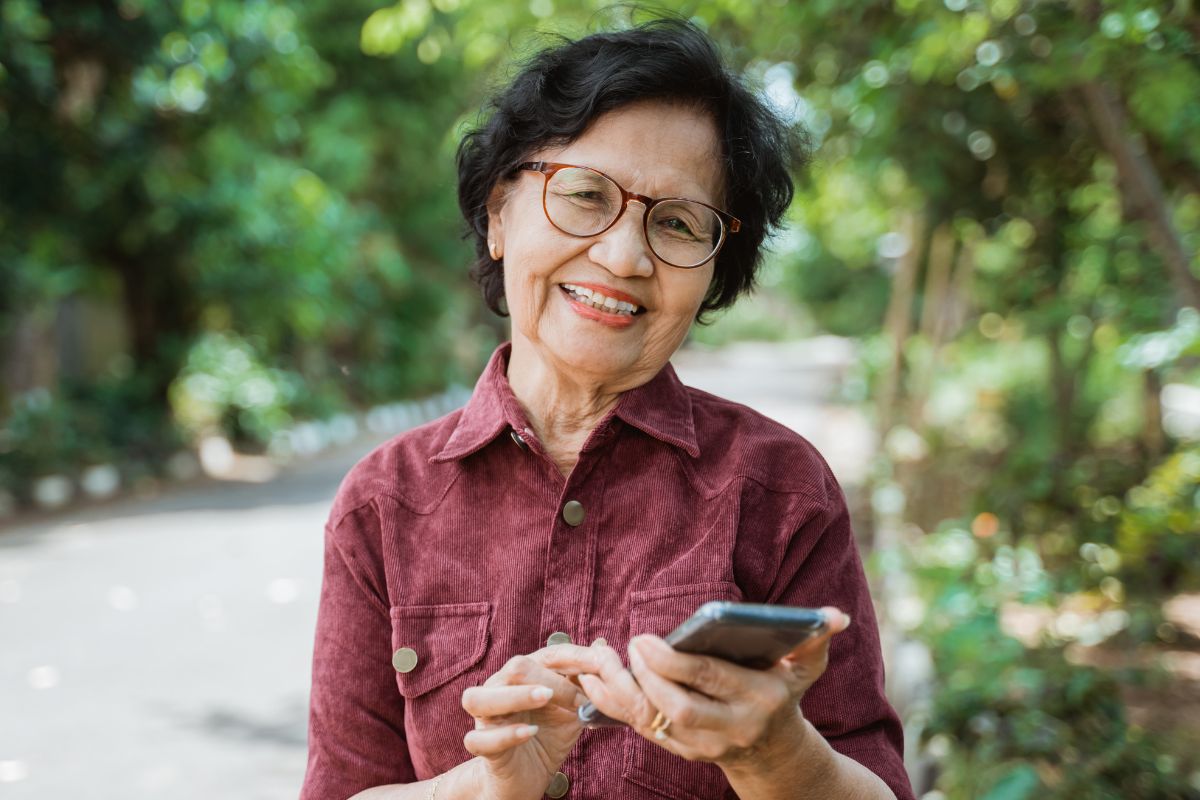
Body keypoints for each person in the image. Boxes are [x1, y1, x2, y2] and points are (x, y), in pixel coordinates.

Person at [300, 17, 914, 800]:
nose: (625, 257)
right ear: (497, 216)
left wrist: (774, 754)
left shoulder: (781, 488)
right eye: (586, 196)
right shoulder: (383, 503)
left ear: (717, 268)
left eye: (678, 223)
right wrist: (484, 790)